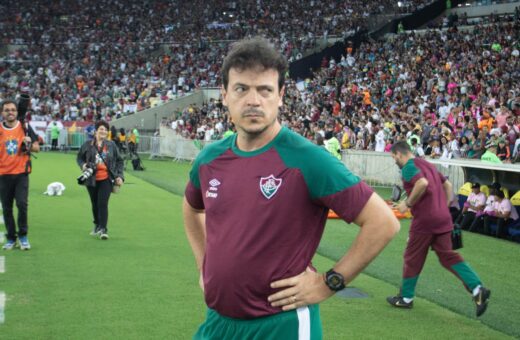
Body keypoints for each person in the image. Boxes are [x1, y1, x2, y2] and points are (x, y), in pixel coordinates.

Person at [183, 37, 400, 339]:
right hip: (218, 322)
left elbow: (383, 222)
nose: (253, 100)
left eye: (265, 90)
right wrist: (203, 264)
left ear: (281, 95)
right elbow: (192, 208)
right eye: (242, 88)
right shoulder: (209, 159)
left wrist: (329, 282)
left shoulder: (307, 159)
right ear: (224, 95)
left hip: (281, 326)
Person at [387, 142, 490, 317]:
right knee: (448, 256)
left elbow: (422, 183)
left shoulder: (408, 167)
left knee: (412, 258)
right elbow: (448, 186)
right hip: (442, 218)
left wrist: (407, 203)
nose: (394, 160)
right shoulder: (427, 164)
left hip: (425, 221)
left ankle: (405, 298)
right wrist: (443, 206)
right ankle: (477, 288)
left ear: (399, 154)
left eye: (393, 157)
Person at [0, 99, 40, 250]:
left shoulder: (25, 127)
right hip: (3, 174)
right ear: (2, 113)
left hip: (21, 174)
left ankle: (23, 235)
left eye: (13, 110)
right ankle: (11, 238)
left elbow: (37, 148)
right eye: (7, 110)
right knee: (7, 208)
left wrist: (29, 144)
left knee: (22, 205)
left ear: (17, 112)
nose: (10, 112)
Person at [76, 120, 124, 240]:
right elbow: (79, 157)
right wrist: (83, 166)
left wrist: (119, 176)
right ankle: (97, 225)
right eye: (101, 129)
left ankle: (103, 229)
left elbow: (119, 161)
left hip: (106, 178)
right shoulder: (87, 144)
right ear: (95, 131)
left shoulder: (111, 145)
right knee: (94, 203)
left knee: (102, 203)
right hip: (91, 179)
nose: (103, 131)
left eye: (105, 129)